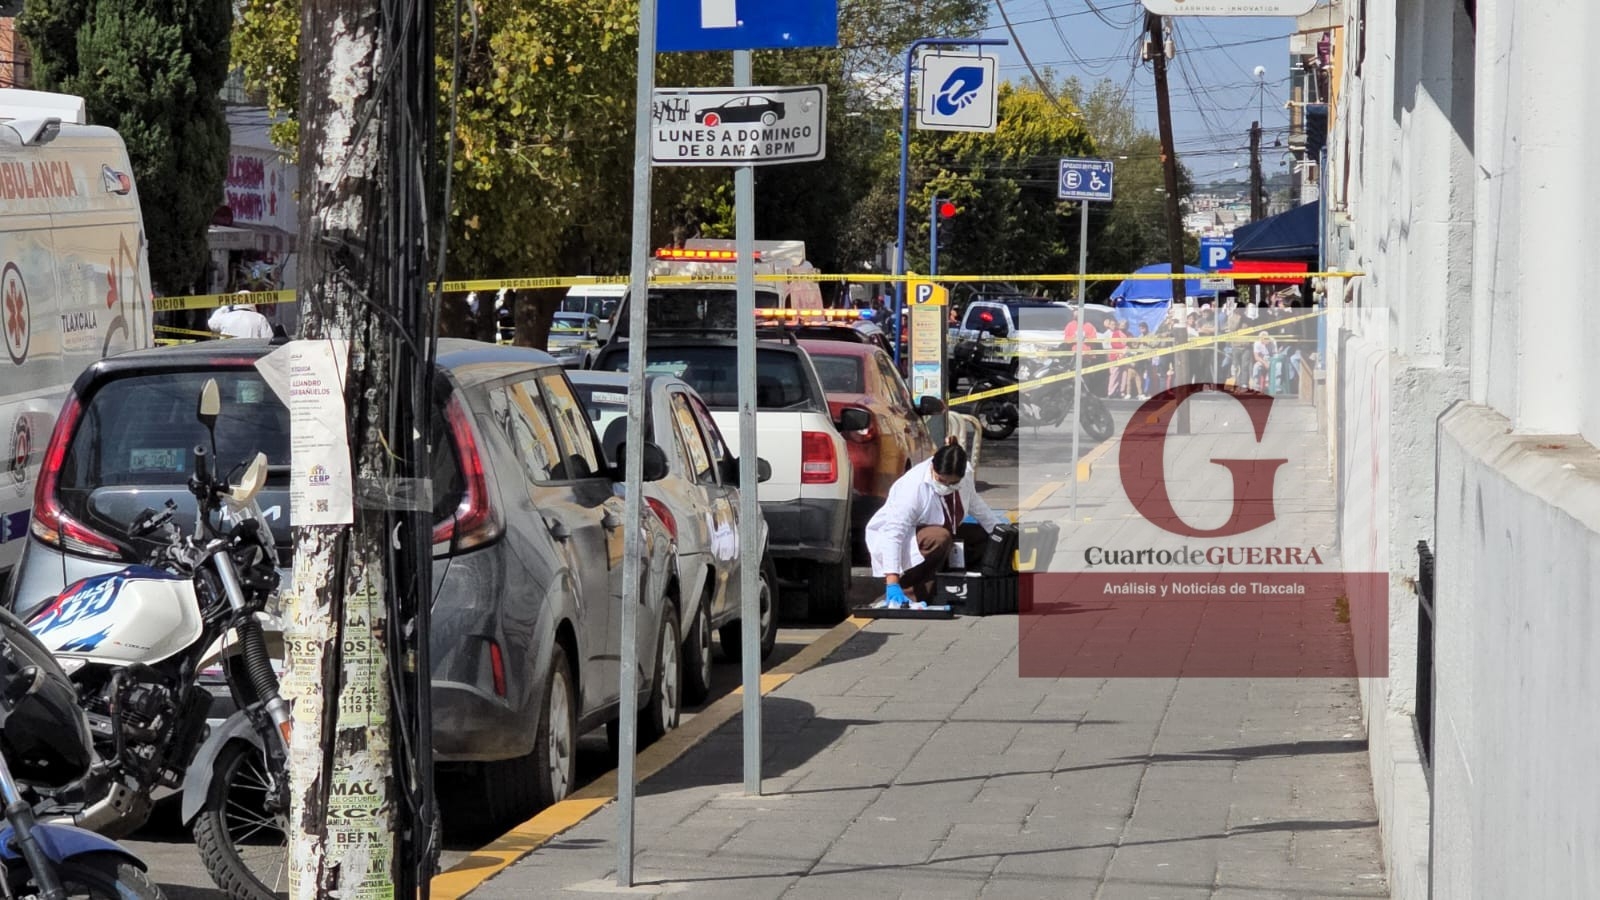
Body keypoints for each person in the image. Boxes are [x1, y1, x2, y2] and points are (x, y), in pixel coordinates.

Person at [866, 440, 1003, 608]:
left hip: (943, 530)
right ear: (932, 467)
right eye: (941, 480)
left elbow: (975, 503)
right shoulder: (913, 488)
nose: (946, 486)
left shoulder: (965, 474)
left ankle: (966, 586)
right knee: (939, 537)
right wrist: (892, 582)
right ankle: (908, 592)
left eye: (953, 483)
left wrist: (1000, 532)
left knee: (984, 538)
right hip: (907, 538)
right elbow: (893, 534)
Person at [208, 292, 273, 339]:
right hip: (251, 356)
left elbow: (211, 323)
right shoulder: (260, 318)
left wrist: (225, 307)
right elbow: (268, 339)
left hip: (227, 355)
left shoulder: (225, 317)